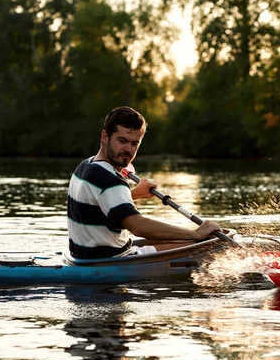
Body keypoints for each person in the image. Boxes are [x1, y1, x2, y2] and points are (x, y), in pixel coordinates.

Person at [67, 106, 222, 259]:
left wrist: (132, 194)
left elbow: (95, 204)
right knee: (211, 242)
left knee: (191, 239)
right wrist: (195, 233)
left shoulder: (85, 166)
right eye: (122, 140)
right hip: (112, 259)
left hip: (81, 256)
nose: (128, 149)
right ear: (105, 137)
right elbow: (138, 226)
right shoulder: (110, 180)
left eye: (135, 143)